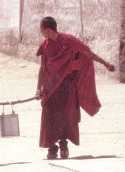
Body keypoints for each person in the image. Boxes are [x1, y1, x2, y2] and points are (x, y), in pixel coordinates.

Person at [35, 16, 115, 159]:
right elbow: (43, 68)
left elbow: (88, 53)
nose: (41, 33)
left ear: (48, 29)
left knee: (66, 116)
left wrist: (106, 63)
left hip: (67, 85)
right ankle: (52, 147)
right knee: (49, 115)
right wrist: (38, 88)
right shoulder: (44, 45)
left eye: (42, 30)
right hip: (50, 87)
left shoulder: (68, 41)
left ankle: (63, 144)